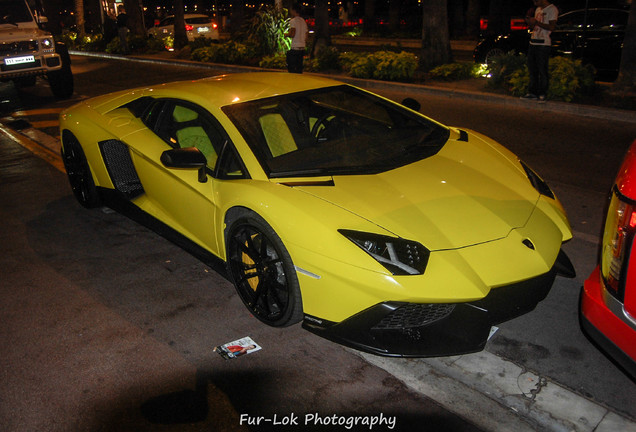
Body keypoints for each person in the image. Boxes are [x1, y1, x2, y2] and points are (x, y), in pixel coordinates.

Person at [522, 0, 558, 102]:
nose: (534, 2)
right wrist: (531, 23)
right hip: (533, 42)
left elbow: (552, 27)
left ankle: (542, 93)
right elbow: (534, 27)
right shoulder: (537, 9)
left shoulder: (552, 9)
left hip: (543, 44)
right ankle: (532, 92)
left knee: (542, 69)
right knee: (532, 69)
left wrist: (536, 22)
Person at [285, 4, 308, 74]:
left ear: (294, 11)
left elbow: (292, 33)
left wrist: (286, 35)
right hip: (302, 47)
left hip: (295, 47)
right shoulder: (303, 21)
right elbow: (306, 34)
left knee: (291, 67)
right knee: (299, 67)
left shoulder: (293, 21)